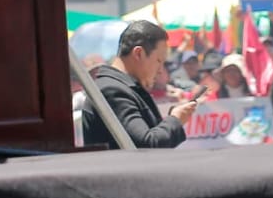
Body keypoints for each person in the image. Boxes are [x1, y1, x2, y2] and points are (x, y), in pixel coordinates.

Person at [80, 21, 195, 149]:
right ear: (138, 53)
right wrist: (175, 120)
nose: (161, 70)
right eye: (159, 61)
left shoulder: (121, 87)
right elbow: (146, 146)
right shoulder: (113, 90)